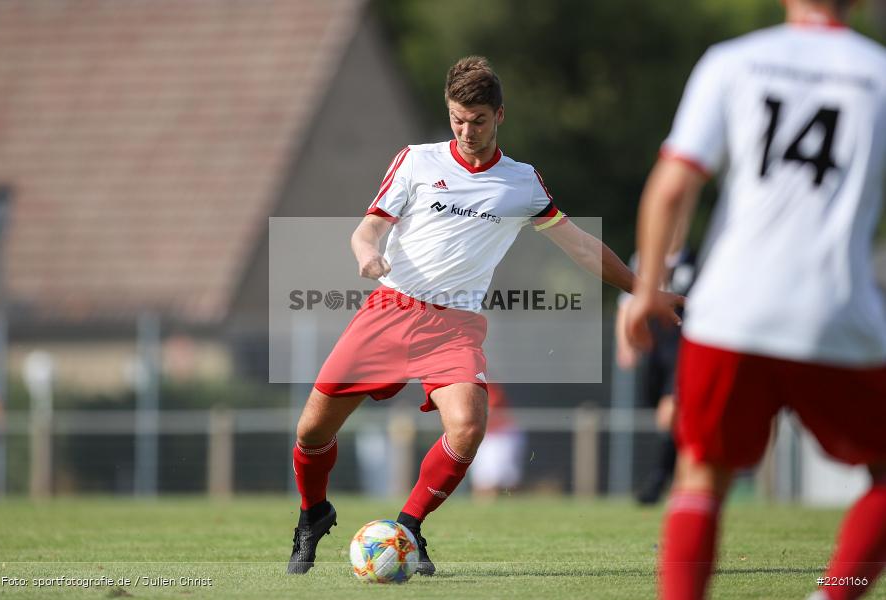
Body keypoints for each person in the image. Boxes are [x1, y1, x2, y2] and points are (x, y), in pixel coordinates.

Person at [287, 56, 683, 576]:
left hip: (454, 324)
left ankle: (408, 527)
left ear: (500, 115)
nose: (466, 131)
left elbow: (582, 248)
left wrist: (644, 291)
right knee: (312, 433)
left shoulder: (523, 183)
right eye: (457, 119)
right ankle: (313, 515)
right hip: (389, 309)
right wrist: (367, 254)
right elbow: (367, 230)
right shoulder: (416, 161)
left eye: (477, 120)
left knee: (470, 426)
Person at [625, 1, 886, 598]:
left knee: (700, 476)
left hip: (729, 311)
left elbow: (671, 188)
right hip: (835, 312)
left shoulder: (734, 62)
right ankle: (837, 591)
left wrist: (644, 294)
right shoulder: (879, 73)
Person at [616, 244, 696, 505]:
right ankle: (672, 477)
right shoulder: (643, 257)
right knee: (664, 417)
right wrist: (624, 345)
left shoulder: (695, 257)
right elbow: (627, 305)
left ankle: (662, 479)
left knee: (670, 412)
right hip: (655, 347)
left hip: (686, 347)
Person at [469, 383, 526, 499]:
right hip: (484, 436)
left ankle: (511, 510)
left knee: (505, 482)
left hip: (500, 435)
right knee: (483, 482)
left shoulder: (482, 383)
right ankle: (483, 511)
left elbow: (493, 407)